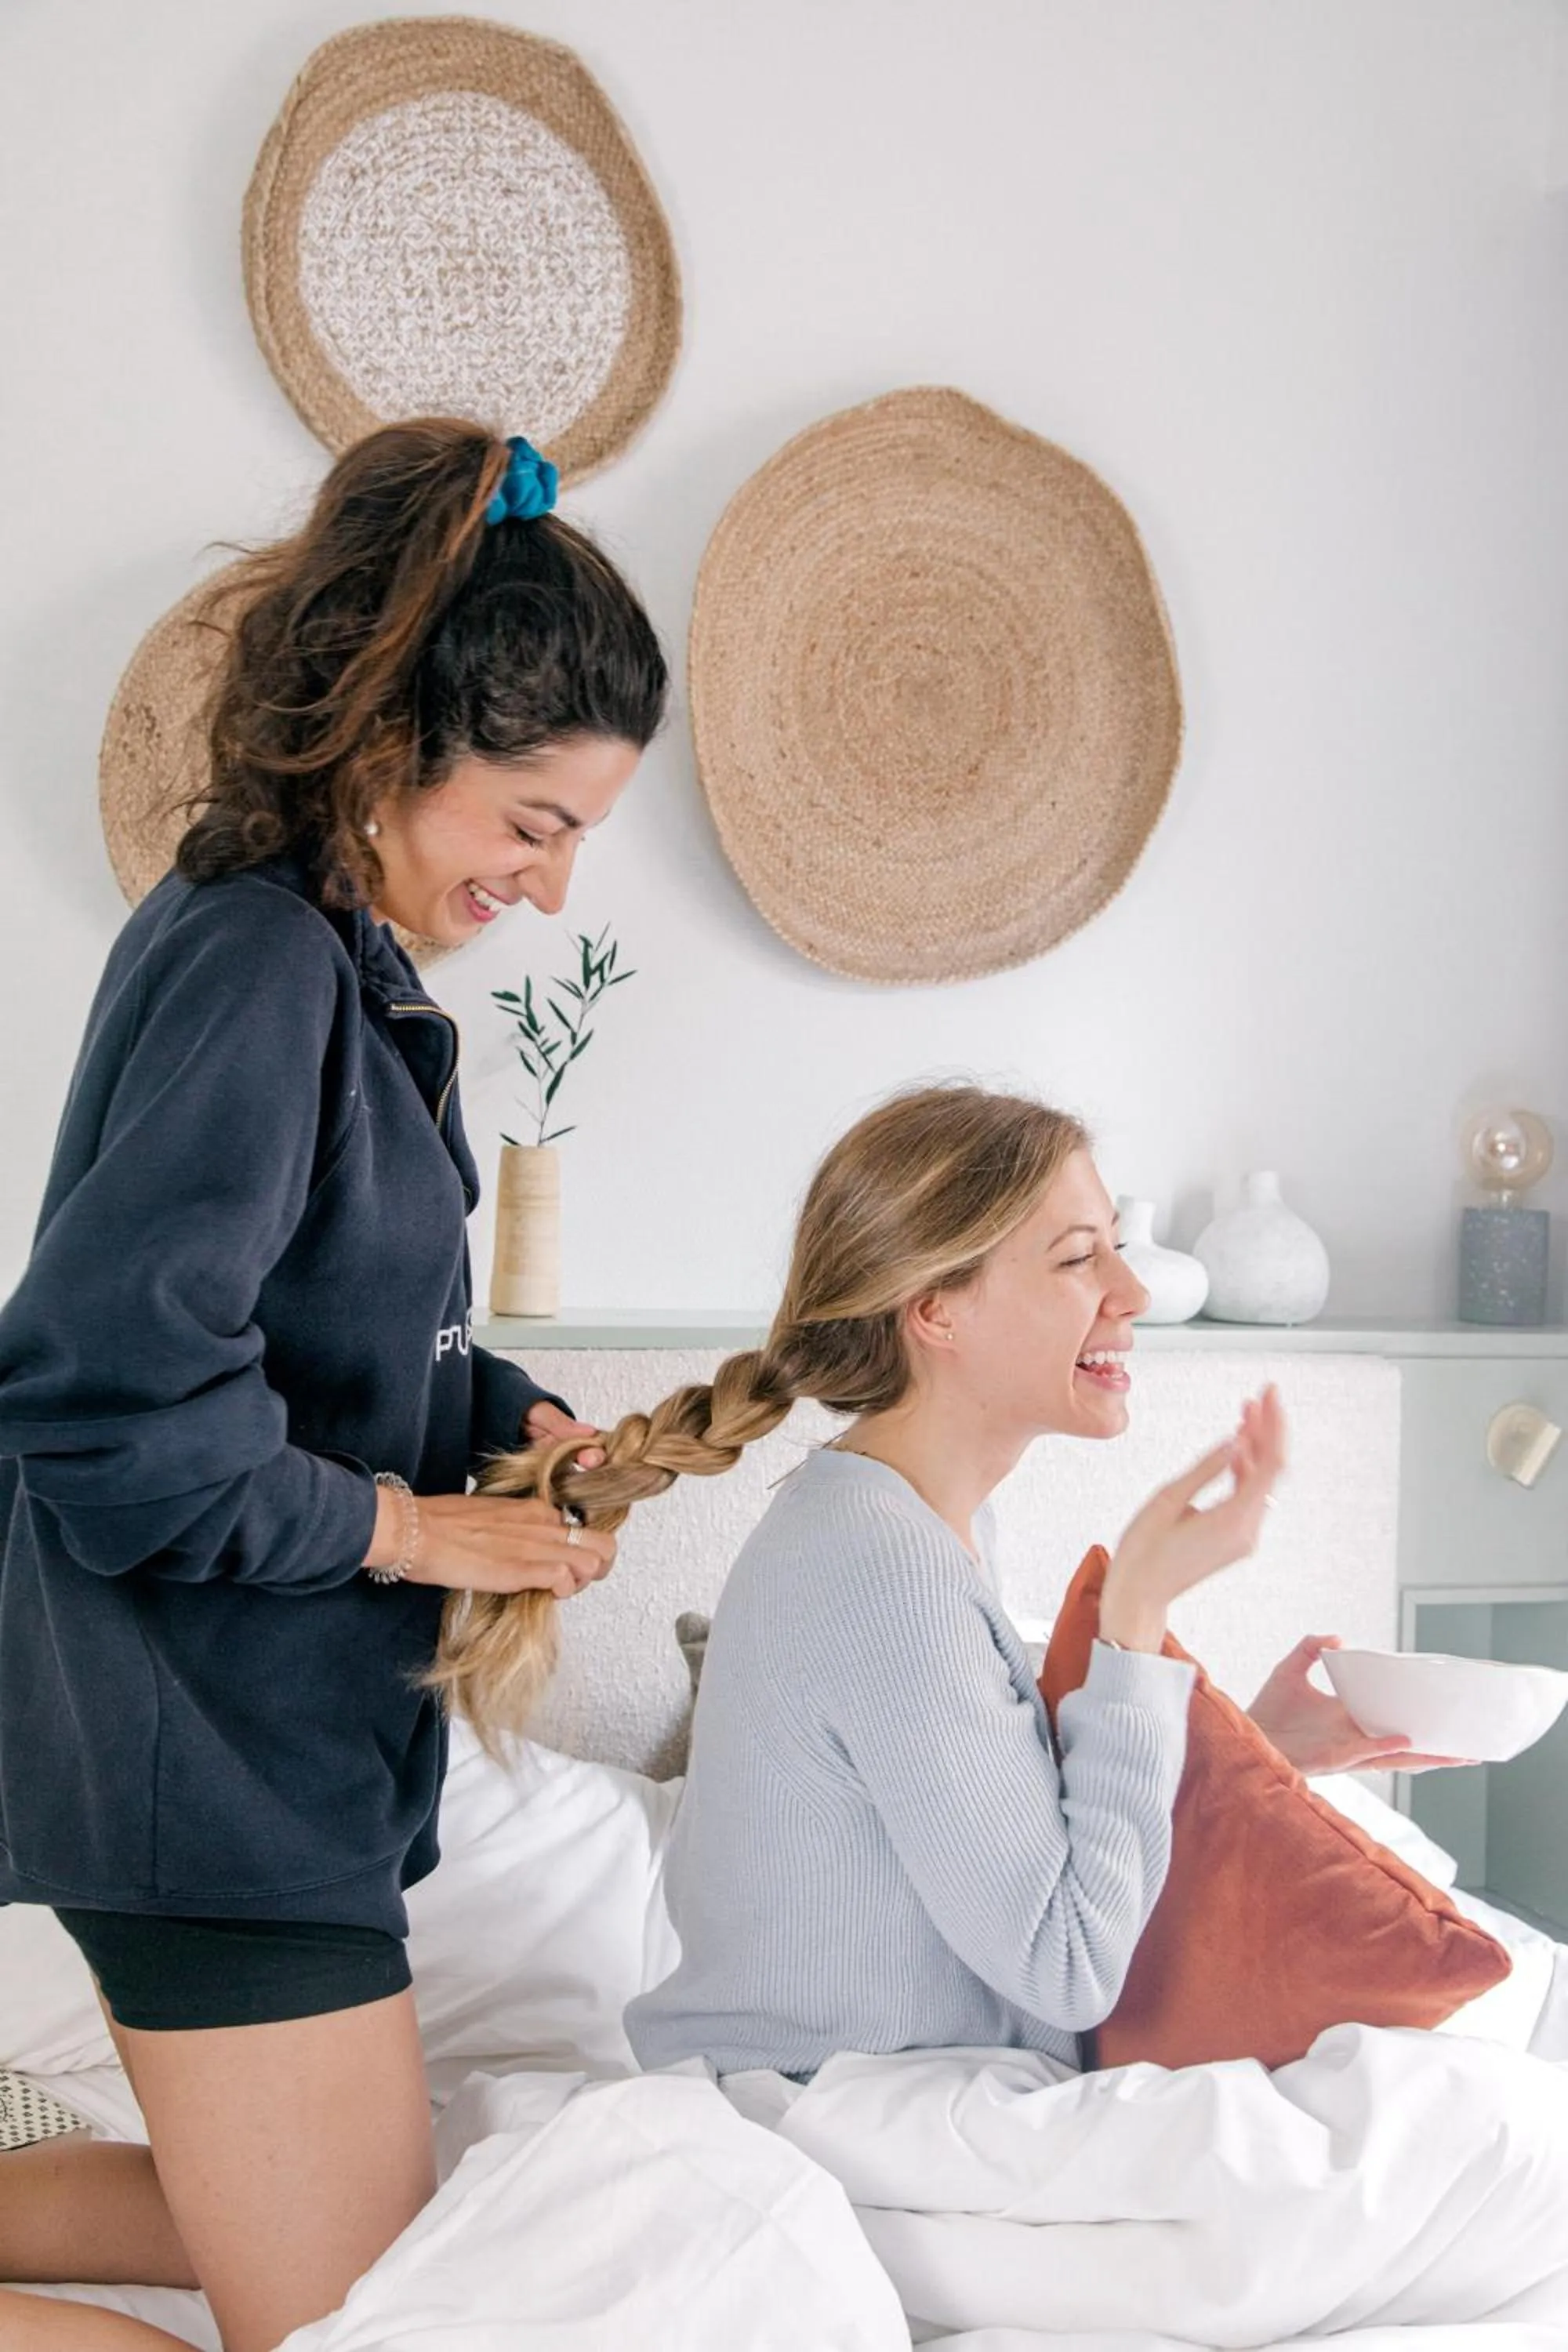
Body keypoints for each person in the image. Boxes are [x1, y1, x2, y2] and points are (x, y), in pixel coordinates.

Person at [0, 422, 666, 2351]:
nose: (545, 882)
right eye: (530, 820)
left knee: (352, 2256)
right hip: (197, 1759)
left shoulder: (324, 970)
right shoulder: (259, 968)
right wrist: (406, 1521)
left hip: (260, 1762)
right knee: (358, 2322)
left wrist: (503, 1425)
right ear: (393, 751)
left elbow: (327, 1334)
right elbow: (109, 1398)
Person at [479, 1084, 1460, 2081]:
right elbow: (1066, 1962)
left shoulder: (903, 1523)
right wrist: (1134, 1622)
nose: (1132, 1292)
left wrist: (1259, 1753)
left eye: (1114, 1246)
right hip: (840, 2109)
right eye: (1079, 1257)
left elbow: (1014, 1840)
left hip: (875, 2089)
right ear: (937, 1310)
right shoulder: (877, 1571)